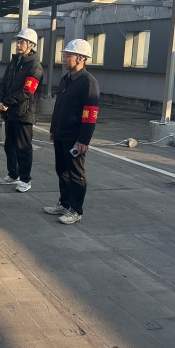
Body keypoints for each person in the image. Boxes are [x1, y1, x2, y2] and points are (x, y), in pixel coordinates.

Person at [44, 39, 100, 224]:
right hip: (61, 133)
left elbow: (90, 114)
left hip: (75, 137)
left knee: (76, 174)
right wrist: (53, 129)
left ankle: (76, 210)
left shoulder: (88, 83)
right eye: (64, 55)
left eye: (68, 56)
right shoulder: (66, 79)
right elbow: (59, 107)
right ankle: (65, 203)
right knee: (62, 170)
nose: (64, 59)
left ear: (81, 58)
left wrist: (84, 139)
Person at [0, 28, 43, 193]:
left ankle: (25, 179)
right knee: (9, 146)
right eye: (18, 41)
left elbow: (27, 91)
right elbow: (3, 84)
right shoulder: (14, 63)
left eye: (22, 42)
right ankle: (13, 174)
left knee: (23, 148)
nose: (18, 44)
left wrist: (7, 102)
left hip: (24, 113)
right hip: (10, 112)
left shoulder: (35, 66)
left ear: (31, 45)